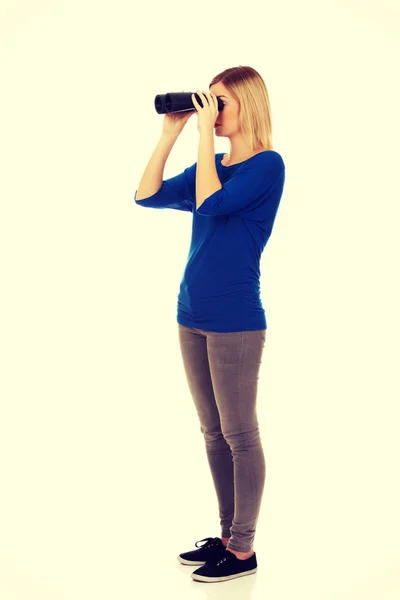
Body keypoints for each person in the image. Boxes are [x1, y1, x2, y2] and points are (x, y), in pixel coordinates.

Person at [134, 66, 285, 583]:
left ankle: (243, 551)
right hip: (191, 314)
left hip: (236, 321)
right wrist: (171, 133)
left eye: (219, 102)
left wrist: (200, 136)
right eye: (208, 103)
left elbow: (212, 201)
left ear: (247, 104)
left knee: (241, 433)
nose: (212, 113)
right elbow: (146, 195)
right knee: (213, 433)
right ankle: (226, 537)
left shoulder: (267, 166)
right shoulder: (213, 163)